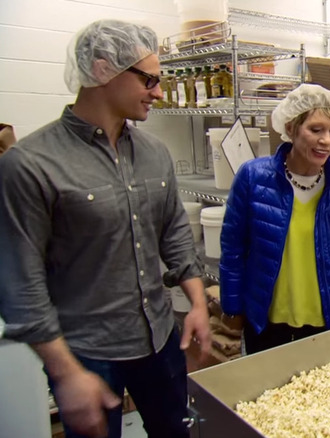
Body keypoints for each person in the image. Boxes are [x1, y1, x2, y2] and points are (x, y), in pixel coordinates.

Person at [0, 19, 211, 438]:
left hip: (158, 337)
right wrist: (65, 374)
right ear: (102, 70)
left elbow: (173, 233)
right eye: (149, 79)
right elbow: (21, 284)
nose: (158, 91)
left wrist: (198, 301)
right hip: (87, 353)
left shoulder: (154, 153)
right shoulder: (30, 163)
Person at [219, 83, 330, 354]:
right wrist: (232, 311)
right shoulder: (253, 178)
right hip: (267, 321)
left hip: (325, 322)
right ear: (290, 129)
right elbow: (233, 251)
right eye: (316, 129)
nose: (327, 141)